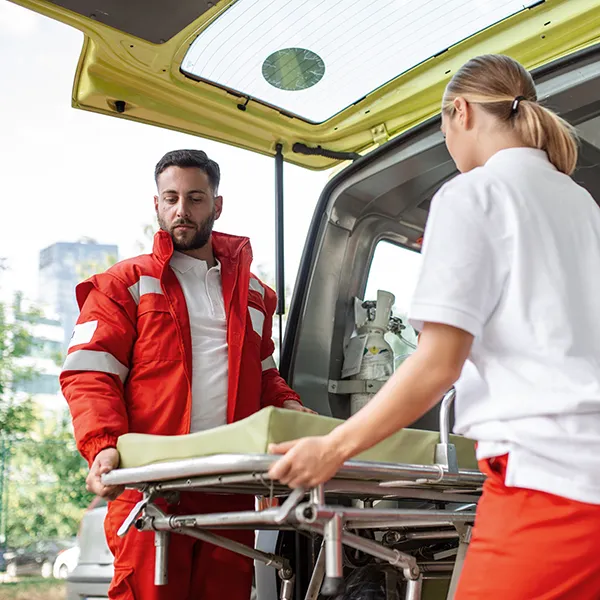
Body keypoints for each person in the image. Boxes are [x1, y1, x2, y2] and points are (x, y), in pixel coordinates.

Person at [269, 54, 600, 599]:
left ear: (460, 112)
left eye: (444, 126)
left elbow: (438, 361)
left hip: (546, 482)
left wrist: (335, 447)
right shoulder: (581, 201)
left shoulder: (472, 194)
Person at [60, 149, 312, 600]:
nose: (182, 209)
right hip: (151, 483)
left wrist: (293, 408)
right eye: (171, 198)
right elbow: (88, 372)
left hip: (230, 485)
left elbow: (263, 374)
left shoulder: (256, 294)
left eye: (195, 198)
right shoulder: (124, 283)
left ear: (217, 205)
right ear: (156, 204)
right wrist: (101, 444)